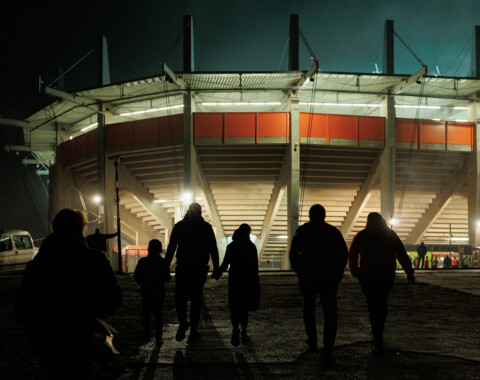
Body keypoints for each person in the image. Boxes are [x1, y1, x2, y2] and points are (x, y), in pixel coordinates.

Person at [15, 208, 122, 378]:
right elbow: (113, 298)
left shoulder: (39, 264)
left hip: (46, 338)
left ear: (55, 228)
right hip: (81, 336)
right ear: (82, 228)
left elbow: (23, 304)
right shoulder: (94, 259)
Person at [348, 212, 414, 355]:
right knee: (382, 303)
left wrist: (356, 271)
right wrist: (409, 272)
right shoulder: (390, 235)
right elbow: (401, 254)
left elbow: (352, 254)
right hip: (386, 275)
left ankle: (376, 334)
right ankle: (379, 333)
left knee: (372, 305)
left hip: (368, 276)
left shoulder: (362, 235)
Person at [289, 204, 348, 356]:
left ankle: (312, 339)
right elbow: (342, 254)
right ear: (324, 215)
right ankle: (328, 343)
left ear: (309, 215)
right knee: (330, 311)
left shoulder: (302, 231)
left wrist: (299, 270)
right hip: (329, 277)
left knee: (308, 308)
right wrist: (338, 273)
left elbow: (293, 253)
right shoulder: (333, 232)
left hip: (308, 276)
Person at [165, 202, 220, 343]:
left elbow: (171, 247)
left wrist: (166, 266)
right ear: (200, 212)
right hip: (199, 268)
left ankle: (183, 322)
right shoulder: (206, 228)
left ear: (188, 211)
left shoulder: (179, 226)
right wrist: (217, 268)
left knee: (180, 297)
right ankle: (194, 330)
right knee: (196, 299)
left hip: (183, 266)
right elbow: (213, 248)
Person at [214, 224, 260, 346]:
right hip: (247, 282)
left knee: (234, 307)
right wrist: (256, 284)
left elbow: (225, 264)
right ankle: (244, 331)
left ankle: (235, 328)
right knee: (244, 308)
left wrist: (217, 274)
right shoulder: (251, 247)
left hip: (234, 281)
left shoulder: (232, 246)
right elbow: (255, 268)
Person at [134, 239, 171, 345]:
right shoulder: (163, 262)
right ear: (160, 249)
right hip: (158, 292)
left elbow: (137, 276)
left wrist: (143, 283)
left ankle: (146, 334)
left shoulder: (143, 262)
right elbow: (167, 278)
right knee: (158, 314)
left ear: (149, 249)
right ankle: (158, 336)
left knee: (146, 313)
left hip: (146, 291)